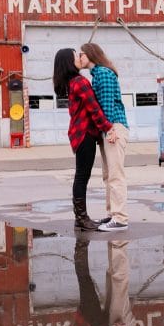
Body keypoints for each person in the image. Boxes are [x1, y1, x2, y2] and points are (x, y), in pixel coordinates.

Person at [53, 48, 113, 230]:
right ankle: (81, 219)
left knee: (81, 177)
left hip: (80, 134)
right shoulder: (80, 82)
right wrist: (109, 128)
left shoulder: (72, 82)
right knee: (81, 177)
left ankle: (80, 218)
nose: (79, 57)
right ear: (70, 62)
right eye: (76, 56)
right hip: (84, 134)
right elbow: (94, 108)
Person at [80, 42, 129, 232]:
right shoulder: (97, 74)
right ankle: (112, 215)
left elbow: (106, 105)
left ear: (91, 55)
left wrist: (109, 130)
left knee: (116, 175)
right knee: (108, 175)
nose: (79, 58)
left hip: (113, 127)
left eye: (81, 55)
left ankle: (120, 218)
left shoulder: (103, 74)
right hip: (108, 129)